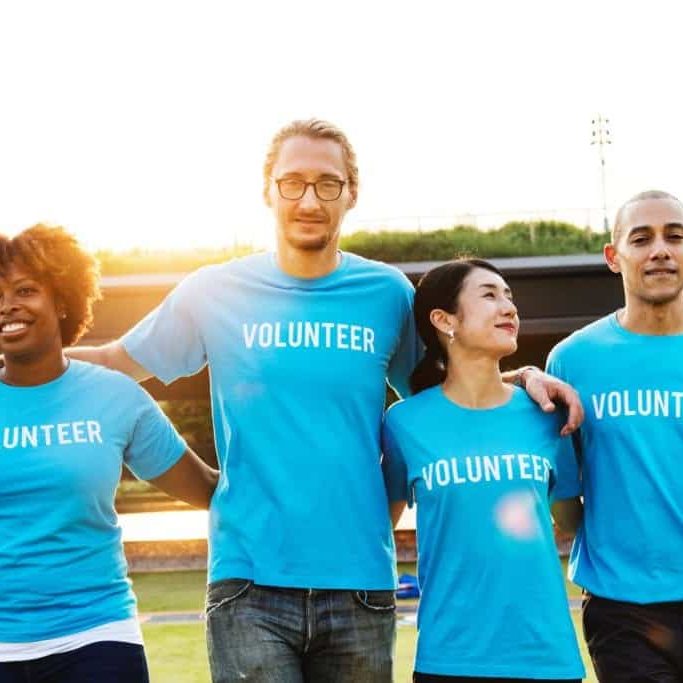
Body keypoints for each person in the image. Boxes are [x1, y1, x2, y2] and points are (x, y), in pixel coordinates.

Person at [67, 119, 583, 682]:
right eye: (293, 182)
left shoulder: (387, 294)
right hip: (248, 581)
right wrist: (20, 362)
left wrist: (525, 375)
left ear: (351, 194)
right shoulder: (214, 290)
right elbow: (118, 362)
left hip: (360, 584)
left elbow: (453, 391)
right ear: (268, 191)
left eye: (327, 184)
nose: (309, 199)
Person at [0, 225, 218, 683]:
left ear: (62, 300)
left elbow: (209, 490)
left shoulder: (116, 397)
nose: (8, 306)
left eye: (25, 290)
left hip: (97, 638)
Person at [382, 258, 585, 683]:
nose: (509, 307)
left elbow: (571, 519)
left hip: (547, 658)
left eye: (509, 296)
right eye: (490, 295)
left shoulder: (549, 413)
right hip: (448, 659)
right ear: (444, 319)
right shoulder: (404, 423)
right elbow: (380, 526)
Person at [546, 190, 683, 682]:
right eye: (642, 238)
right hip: (623, 608)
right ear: (613, 256)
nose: (661, 250)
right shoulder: (572, 359)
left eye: (675, 236)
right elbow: (564, 498)